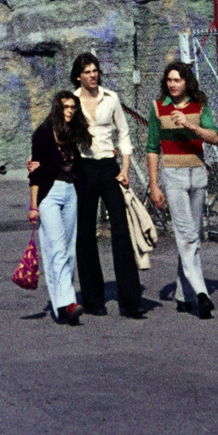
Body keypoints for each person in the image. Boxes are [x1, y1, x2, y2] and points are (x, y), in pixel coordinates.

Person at [71, 53, 143, 318]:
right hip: (84, 168)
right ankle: (93, 299)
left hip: (109, 167)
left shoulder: (111, 98)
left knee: (121, 231)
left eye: (95, 71)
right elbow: (58, 132)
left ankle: (130, 300)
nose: (93, 75)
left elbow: (123, 133)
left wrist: (125, 168)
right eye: (87, 71)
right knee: (86, 233)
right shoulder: (72, 101)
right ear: (78, 75)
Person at [147, 60, 218, 319]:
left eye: (177, 80)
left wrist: (190, 125)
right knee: (187, 236)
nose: (173, 84)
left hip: (198, 173)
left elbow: (215, 137)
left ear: (186, 82)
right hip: (174, 175)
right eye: (169, 80)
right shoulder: (158, 108)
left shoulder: (199, 106)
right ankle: (201, 294)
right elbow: (153, 148)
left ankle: (183, 294)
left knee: (192, 234)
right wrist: (155, 185)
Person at [28, 91, 89, 325]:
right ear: (57, 108)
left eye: (73, 106)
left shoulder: (73, 132)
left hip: (70, 190)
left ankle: (61, 306)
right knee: (57, 247)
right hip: (49, 195)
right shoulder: (43, 134)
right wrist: (33, 206)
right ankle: (68, 302)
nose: (71, 110)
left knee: (68, 249)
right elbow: (35, 172)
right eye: (66, 106)